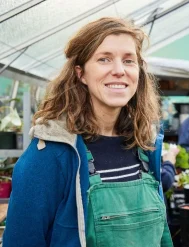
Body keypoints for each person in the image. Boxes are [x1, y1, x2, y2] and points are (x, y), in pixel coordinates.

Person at [3, 18, 173, 247]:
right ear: (81, 73)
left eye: (129, 60)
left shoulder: (145, 146)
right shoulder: (50, 155)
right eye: (104, 59)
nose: (119, 71)